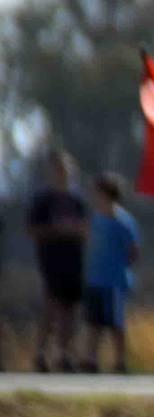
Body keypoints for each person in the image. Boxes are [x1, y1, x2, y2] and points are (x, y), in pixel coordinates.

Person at [26, 149, 89, 373]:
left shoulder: (77, 199)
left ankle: (65, 354)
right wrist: (56, 230)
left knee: (70, 310)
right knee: (51, 307)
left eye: (66, 169)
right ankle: (41, 353)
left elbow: (86, 229)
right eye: (59, 169)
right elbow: (32, 230)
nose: (63, 173)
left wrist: (75, 231)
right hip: (51, 259)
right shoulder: (43, 200)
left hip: (74, 259)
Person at [80, 174, 139, 374]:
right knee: (93, 322)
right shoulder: (95, 219)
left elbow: (133, 251)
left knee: (115, 324)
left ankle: (120, 361)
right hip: (94, 279)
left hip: (114, 280)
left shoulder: (123, 221)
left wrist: (119, 267)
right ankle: (90, 358)